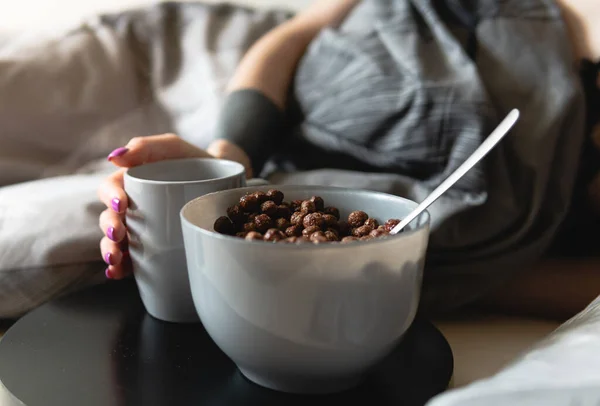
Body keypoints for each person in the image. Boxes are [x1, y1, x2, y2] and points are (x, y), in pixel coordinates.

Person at [1, 0, 598, 319]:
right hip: (227, 79)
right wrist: (225, 155)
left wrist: (401, 266)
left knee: (85, 227)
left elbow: (560, 284)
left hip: (297, 185)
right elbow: (294, 35)